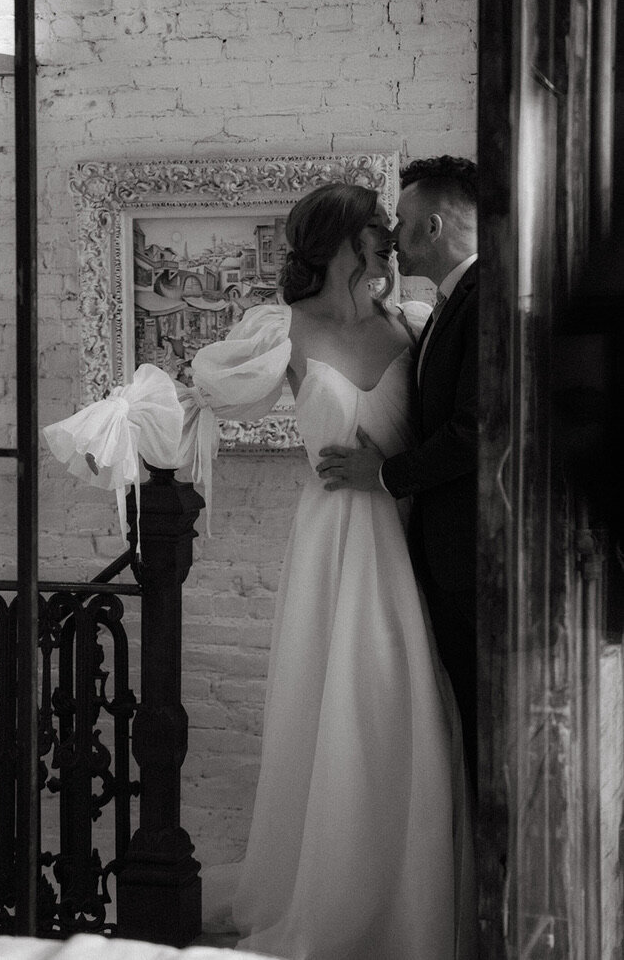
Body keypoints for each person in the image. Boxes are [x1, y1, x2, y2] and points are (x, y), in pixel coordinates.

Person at [43, 181, 477, 960]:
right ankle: (340, 902)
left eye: (393, 229)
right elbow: (196, 396)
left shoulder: (409, 323)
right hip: (339, 542)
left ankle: (413, 896)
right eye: (377, 231)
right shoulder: (285, 333)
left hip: (407, 534)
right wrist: (123, 431)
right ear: (343, 242)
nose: (389, 242)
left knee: (406, 712)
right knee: (356, 707)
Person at [316, 156, 479, 788]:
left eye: (402, 224)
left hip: (469, 557)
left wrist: (382, 475)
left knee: (480, 732)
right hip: (430, 552)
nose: (392, 239)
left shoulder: (484, 298)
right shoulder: (439, 306)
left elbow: (476, 431)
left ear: (433, 226)